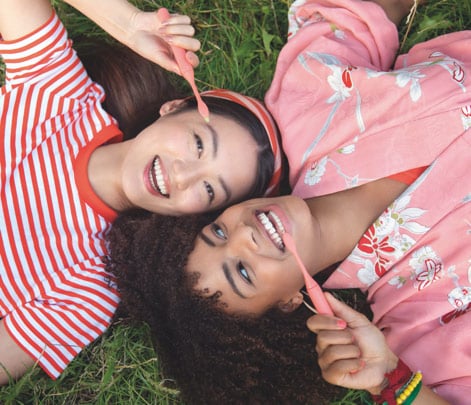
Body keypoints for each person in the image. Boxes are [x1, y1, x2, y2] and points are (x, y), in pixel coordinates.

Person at [107, 0, 471, 403]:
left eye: (219, 231)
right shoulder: (416, 311)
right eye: (244, 273)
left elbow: (358, 11)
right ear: (286, 303)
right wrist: (392, 380)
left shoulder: (306, 103)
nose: (245, 234)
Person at [0, 0, 283, 384]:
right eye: (198, 144)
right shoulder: (63, 97)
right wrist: (129, 23)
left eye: (208, 188)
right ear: (173, 108)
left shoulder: (90, 288)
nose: (183, 174)